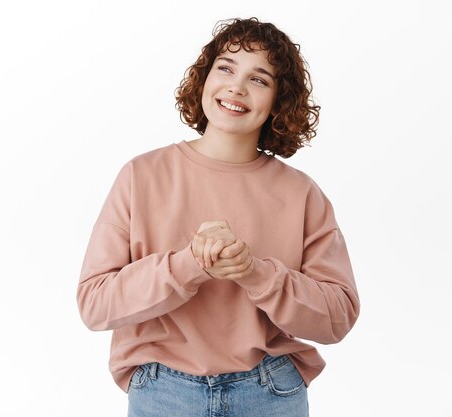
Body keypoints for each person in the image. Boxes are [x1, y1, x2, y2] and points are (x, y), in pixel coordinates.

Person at [76, 17, 360, 417]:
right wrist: (189, 264)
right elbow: (95, 304)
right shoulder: (141, 176)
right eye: (225, 68)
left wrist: (255, 273)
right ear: (205, 78)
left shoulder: (301, 194)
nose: (237, 87)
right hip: (163, 392)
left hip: (270, 391)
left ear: (279, 101)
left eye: (259, 79)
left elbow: (338, 317)